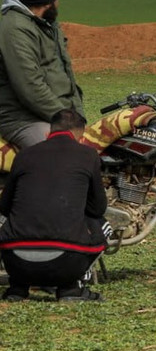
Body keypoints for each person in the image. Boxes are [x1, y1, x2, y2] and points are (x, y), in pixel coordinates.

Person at [0, 108, 110, 302]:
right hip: (66, 263)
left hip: (15, 261)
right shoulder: (88, 155)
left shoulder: (24, 155)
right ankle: (72, 288)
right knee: (103, 224)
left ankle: (18, 288)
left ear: (48, 133)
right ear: (80, 134)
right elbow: (98, 208)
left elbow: (5, 207)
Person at [0, 0, 83, 149]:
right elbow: (29, 85)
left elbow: (63, 71)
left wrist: (76, 113)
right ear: (48, 2)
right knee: (58, 156)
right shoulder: (15, 29)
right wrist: (64, 117)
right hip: (22, 118)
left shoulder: (46, 24)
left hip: (54, 115)